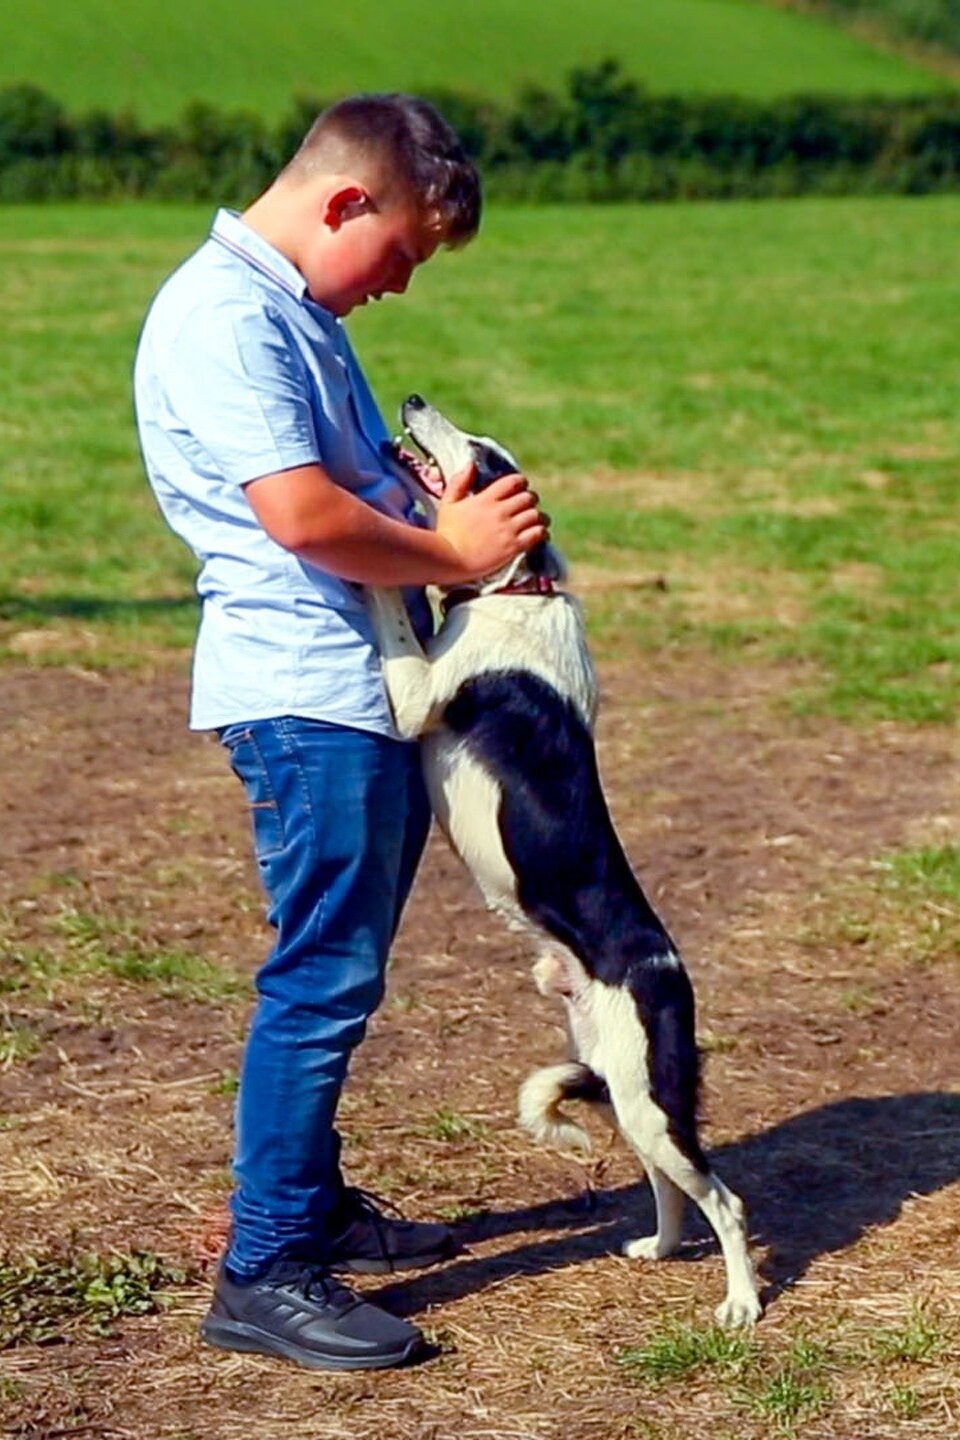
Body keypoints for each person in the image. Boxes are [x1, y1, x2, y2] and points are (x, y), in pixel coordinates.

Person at [133, 93, 547, 1372]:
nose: (400, 288)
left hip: (356, 687)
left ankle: (308, 1213)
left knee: (338, 971)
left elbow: (354, 477)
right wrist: (451, 550)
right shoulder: (226, 316)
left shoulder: (295, 311)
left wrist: (436, 493)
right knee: (320, 983)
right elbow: (305, 517)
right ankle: (264, 1271)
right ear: (344, 202)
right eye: (403, 256)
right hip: (305, 695)